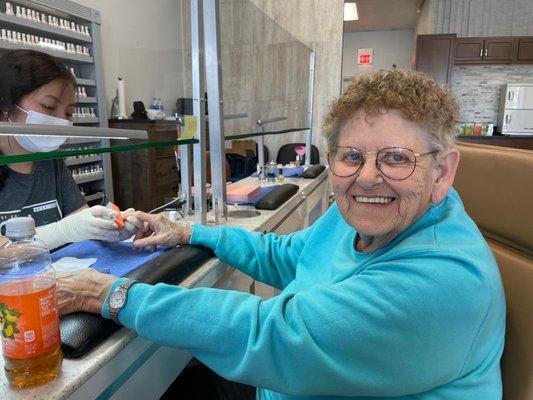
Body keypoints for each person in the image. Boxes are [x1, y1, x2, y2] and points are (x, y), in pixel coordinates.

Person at [57, 69, 505, 399]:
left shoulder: (445, 280)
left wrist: (108, 295)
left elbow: (271, 334)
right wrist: (189, 232)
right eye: (351, 156)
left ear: (442, 171)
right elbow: (286, 255)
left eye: (396, 158)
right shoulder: (360, 214)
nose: (368, 178)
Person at [0, 50, 138, 249]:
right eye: (49, 107)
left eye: (68, 113)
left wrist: (111, 229)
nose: (60, 120)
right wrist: (62, 231)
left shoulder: (50, 161)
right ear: (6, 104)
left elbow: (80, 217)